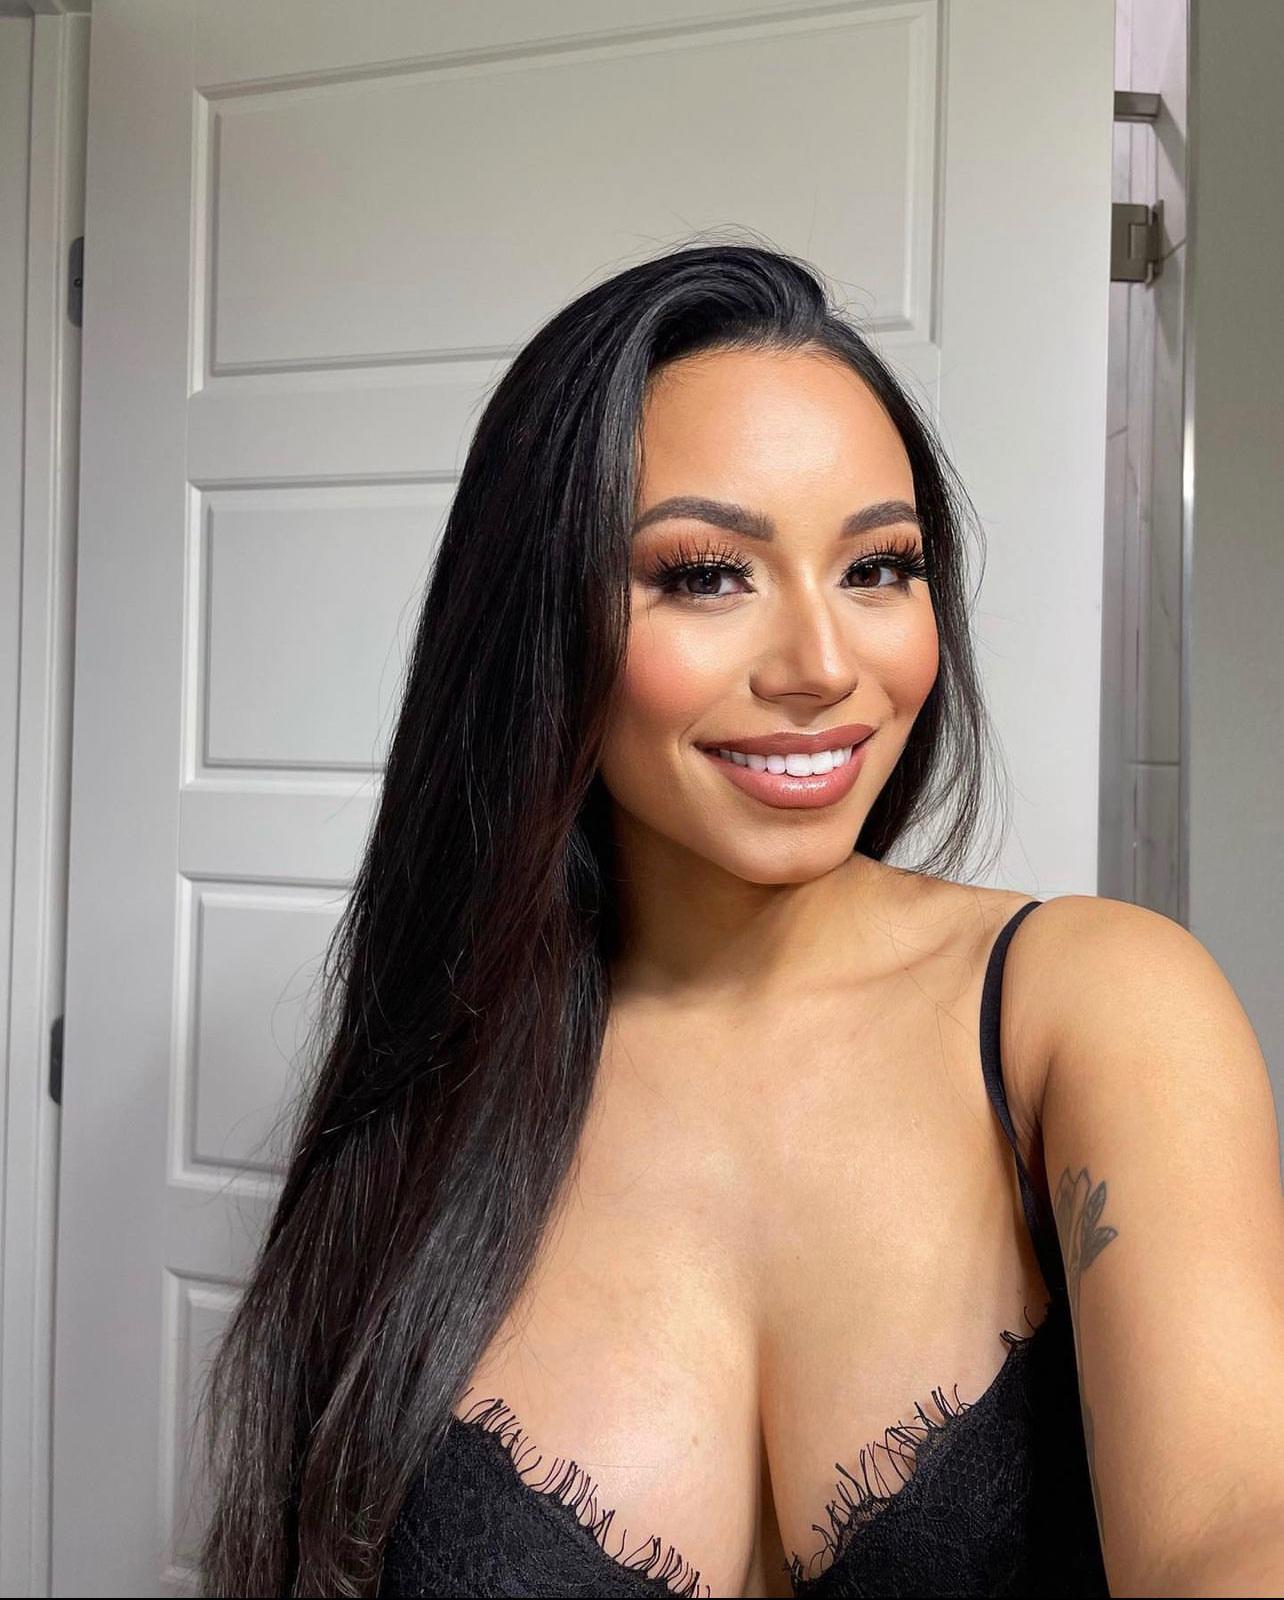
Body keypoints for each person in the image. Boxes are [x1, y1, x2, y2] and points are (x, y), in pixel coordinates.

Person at [199, 243, 1284, 1599]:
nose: (824, 666)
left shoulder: (1090, 1006)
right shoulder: (443, 1073)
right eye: (708, 574)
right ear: (541, 620)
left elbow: (1232, 1526)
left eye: (878, 567)